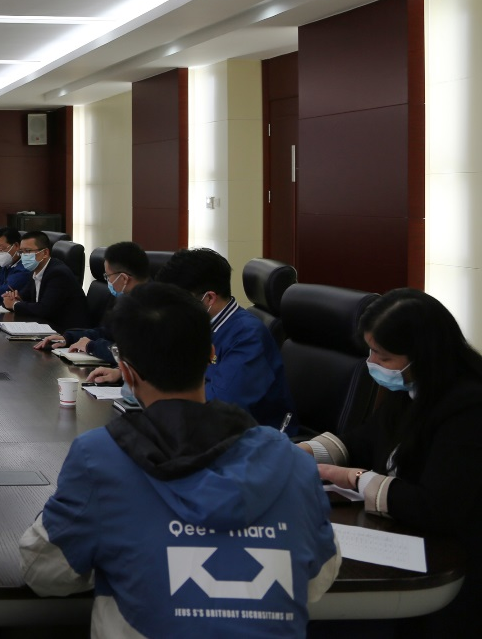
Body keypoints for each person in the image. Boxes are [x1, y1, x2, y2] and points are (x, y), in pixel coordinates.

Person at [21, 283, 340, 637]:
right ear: (211, 355)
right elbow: (316, 580)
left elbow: (43, 572)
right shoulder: (291, 460)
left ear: (126, 372)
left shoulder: (99, 456)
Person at [298, 288, 482, 631]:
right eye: (370, 351)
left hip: (451, 559)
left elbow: (437, 507)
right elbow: (362, 440)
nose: (372, 363)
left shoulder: (468, 407)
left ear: (424, 356)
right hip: (402, 532)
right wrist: (302, 452)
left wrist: (354, 479)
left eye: (383, 358)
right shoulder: (412, 390)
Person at [149, 247, 297, 431]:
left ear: (209, 298)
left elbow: (222, 406)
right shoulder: (198, 324)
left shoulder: (247, 336)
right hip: (202, 428)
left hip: (253, 437)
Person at [35, 240, 149, 359]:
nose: (108, 281)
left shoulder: (151, 309)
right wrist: (68, 338)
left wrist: (91, 346)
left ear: (124, 279)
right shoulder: (126, 298)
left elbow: (133, 354)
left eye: (107, 276)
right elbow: (106, 332)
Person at [1, 231, 89, 331]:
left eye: (28, 251)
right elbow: (22, 297)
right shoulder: (35, 270)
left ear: (45, 253)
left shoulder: (58, 274)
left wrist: (14, 304)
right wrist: (12, 299)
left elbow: (43, 310)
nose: (24, 256)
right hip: (45, 325)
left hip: (66, 331)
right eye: (22, 252)